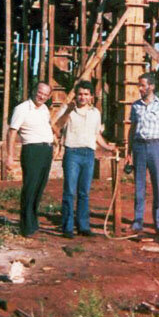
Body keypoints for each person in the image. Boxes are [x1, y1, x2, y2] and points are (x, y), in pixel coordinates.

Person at [59, 81, 117, 238]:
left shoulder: (95, 113)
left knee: (84, 192)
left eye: (86, 94)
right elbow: (57, 126)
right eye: (80, 94)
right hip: (72, 153)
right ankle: (68, 227)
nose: (82, 97)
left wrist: (107, 147)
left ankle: (83, 226)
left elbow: (96, 134)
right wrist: (68, 111)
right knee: (70, 191)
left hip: (88, 154)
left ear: (91, 96)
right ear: (75, 96)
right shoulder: (68, 110)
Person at [6, 83, 54, 237]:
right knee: (30, 187)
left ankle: (33, 221)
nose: (42, 96)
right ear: (34, 91)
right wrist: (9, 156)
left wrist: (56, 141)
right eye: (40, 92)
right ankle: (25, 226)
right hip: (32, 150)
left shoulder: (45, 109)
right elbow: (12, 132)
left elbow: (47, 127)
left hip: (46, 150)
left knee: (40, 187)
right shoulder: (22, 109)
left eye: (45, 95)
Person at [125, 73, 159, 235]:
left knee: (157, 185)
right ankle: (138, 221)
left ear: (151, 87)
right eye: (139, 85)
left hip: (155, 147)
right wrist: (128, 152)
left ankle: (158, 222)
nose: (140, 88)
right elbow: (131, 130)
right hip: (139, 147)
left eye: (143, 85)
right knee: (139, 185)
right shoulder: (135, 106)